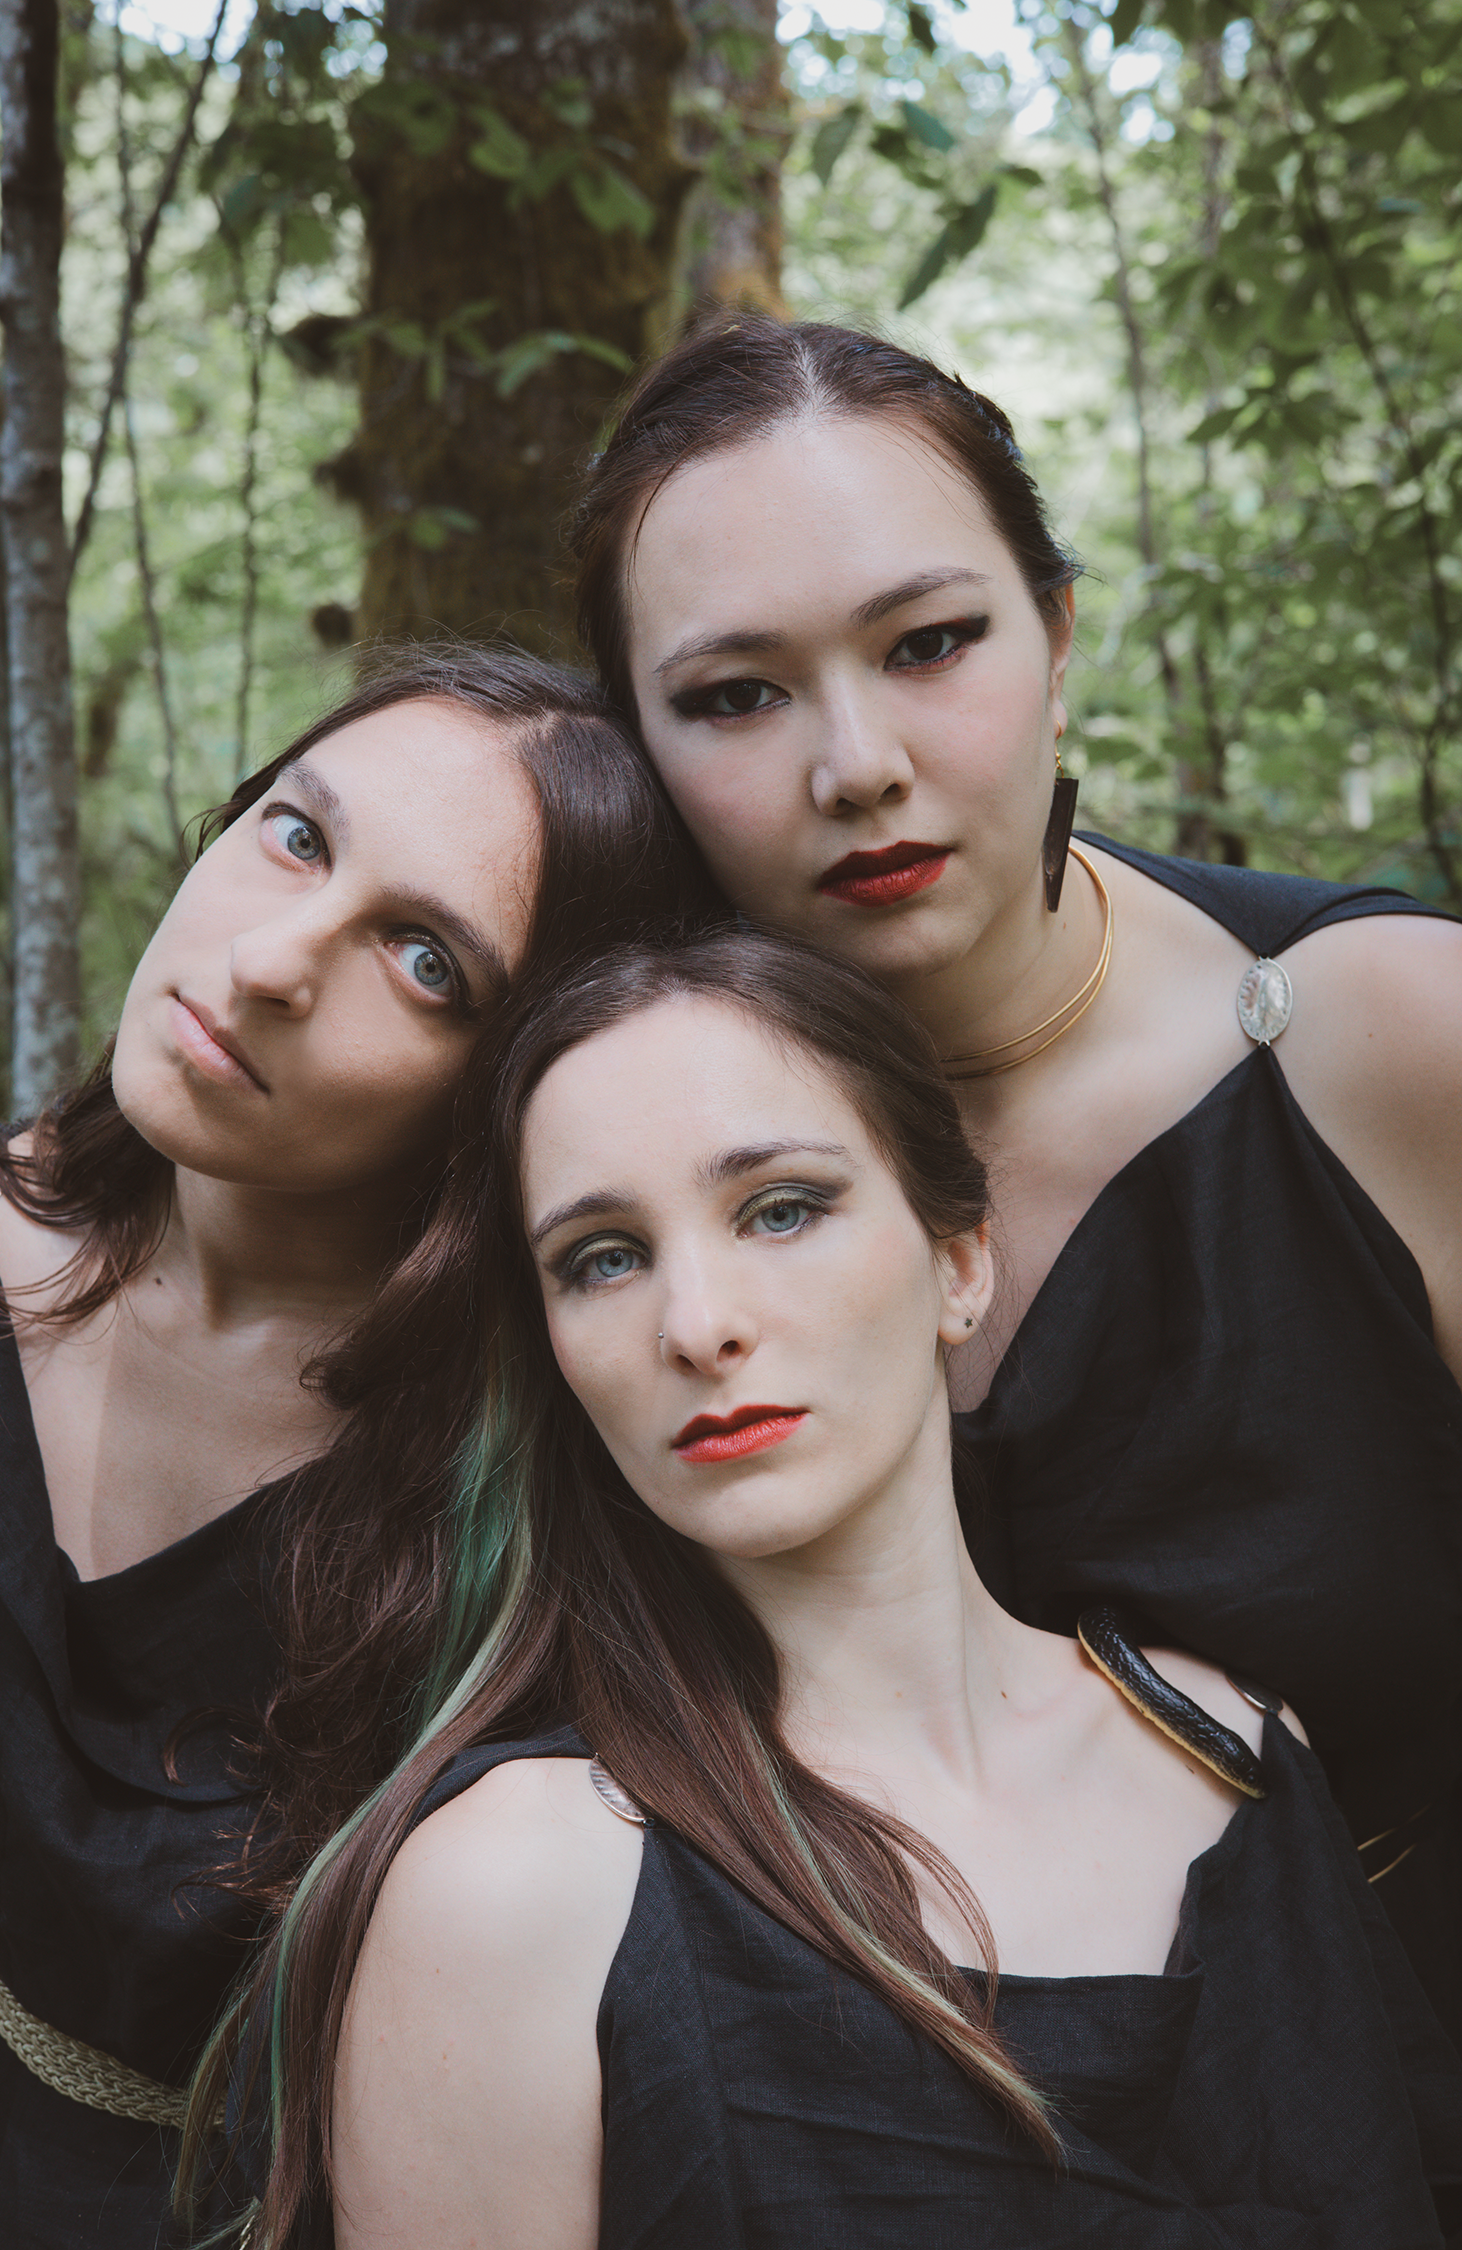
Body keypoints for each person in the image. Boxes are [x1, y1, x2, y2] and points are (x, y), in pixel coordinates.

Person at [193, 928, 1462, 2250]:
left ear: (959, 1262)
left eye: (781, 1208)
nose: (698, 1325)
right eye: (604, 1256)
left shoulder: (1232, 1750)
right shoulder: (513, 1891)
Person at [566, 316, 1462, 2043]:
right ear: (637, 742)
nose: (857, 763)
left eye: (930, 643)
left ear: (1054, 636)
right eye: (736, 693)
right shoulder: (591, 1138)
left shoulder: (1387, 1042)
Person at [0, 645, 710, 2250]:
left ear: (515, 1083)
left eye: (425, 959)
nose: (272, 960)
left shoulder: (545, 1499)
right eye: (297, 835)